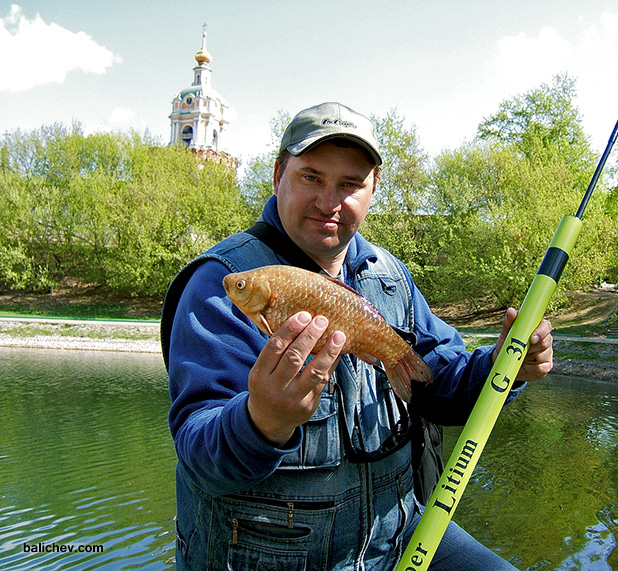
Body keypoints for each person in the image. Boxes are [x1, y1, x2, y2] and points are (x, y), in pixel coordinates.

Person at [162, 101, 553, 571]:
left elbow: (435, 383)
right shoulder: (219, 285)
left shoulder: (390, 277)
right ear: (277, 176)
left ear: (372, 190)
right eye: (311, 177)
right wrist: (260, 421)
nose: (330, 202)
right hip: (274, 555)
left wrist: (503, 366)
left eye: (350, 184)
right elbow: (199, 451)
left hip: (398, 533)